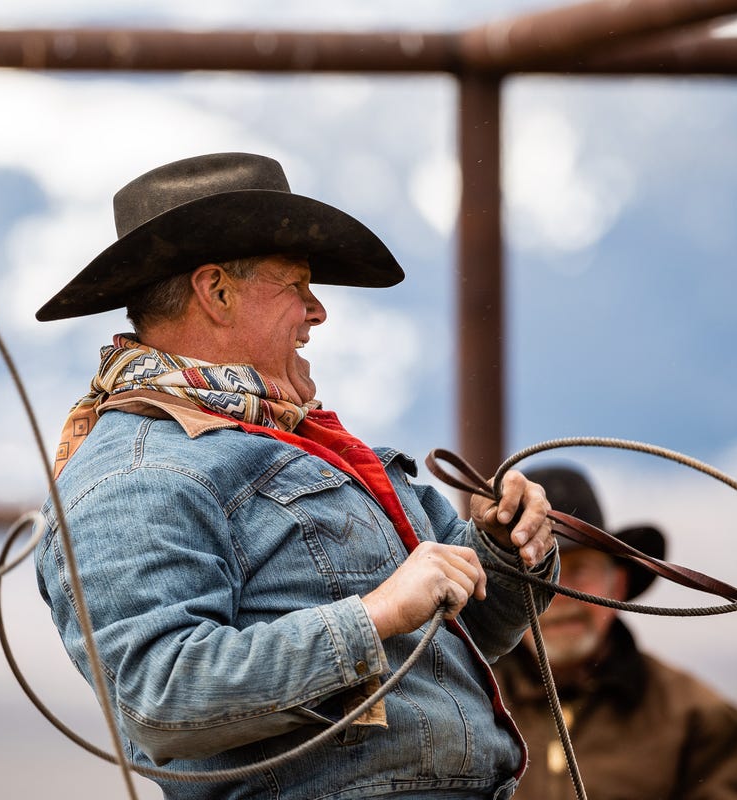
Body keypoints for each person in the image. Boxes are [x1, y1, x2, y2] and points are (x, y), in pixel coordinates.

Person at [34, 152, 558, 799]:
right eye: (297, 285)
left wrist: (505, 548)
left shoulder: (314, 444)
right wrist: (376, 615)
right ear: (216, 292)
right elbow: (158, 696)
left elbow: (468, 628)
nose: (317, 311)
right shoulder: (134, 472)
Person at [493, 464, 737, 800]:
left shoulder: (700, 721)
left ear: (617, 584)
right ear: (508, 595)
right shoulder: (466, 706)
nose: (560, 596)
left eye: (579, 570)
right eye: (537, 574)